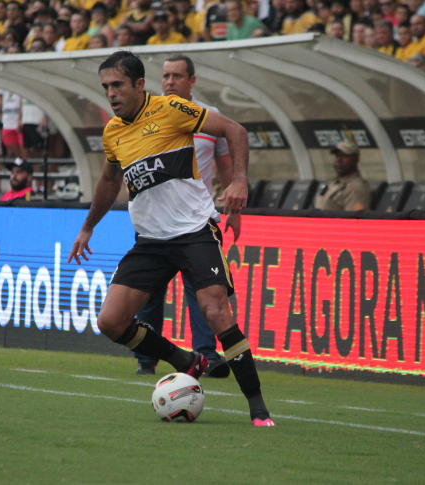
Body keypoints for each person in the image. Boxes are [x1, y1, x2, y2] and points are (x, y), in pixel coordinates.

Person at [67, 51, 275, 427]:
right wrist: (87, 227)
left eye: (117, 85)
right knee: (110, 322)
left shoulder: (172, 108)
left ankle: (258, 409)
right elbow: (110, 181)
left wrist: (239, 181)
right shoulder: (113, 132)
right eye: (105, 87)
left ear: (139, 85)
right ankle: (184, 361)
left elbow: (235, 130)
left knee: (216, 311)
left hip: (194, 231)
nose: (110, 94)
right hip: (150, 241)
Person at [134, 54, 239, 378]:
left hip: (195, 220)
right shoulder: (146, 116)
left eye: (177, 76)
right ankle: (147, 357)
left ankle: (207, 355)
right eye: (165, 76)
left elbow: (224, 164)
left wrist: (233, 206)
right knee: (150, 291)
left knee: (204, 291)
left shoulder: (211, 117)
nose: (169, 82)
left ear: (191, 81)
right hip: (156, 218)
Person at [314, 140, 372, 211]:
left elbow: (353, 219)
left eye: (345, 156)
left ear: (356, 159)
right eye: (337, 156)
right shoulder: (335, 183)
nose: (339, 160)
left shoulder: (355, 188)